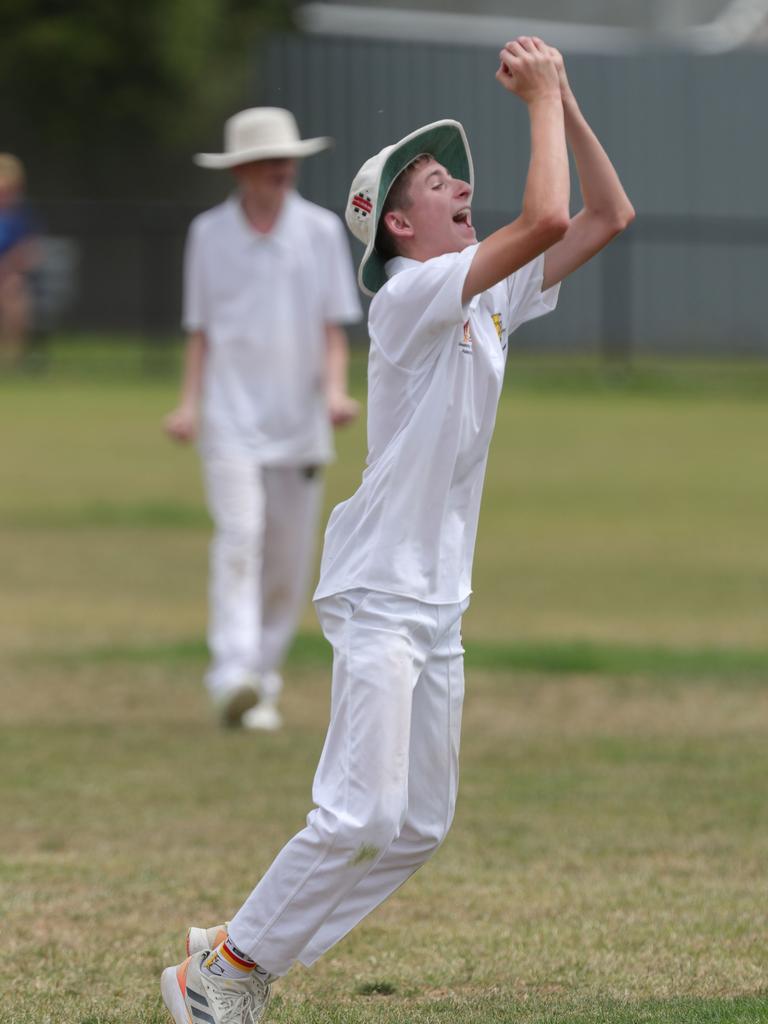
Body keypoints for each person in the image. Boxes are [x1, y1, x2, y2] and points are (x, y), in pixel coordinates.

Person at [160, 38, 634, 1024]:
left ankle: (234, 949)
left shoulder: (487, 293)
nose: (461, 183)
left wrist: (567, 99)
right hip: (379, 589)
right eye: (435, 179)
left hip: (438, 599)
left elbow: (604, 215)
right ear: (401, 227)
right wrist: (537, 99)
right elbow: (545, 214)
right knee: (361, 813)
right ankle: (227, 970)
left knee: (418, 825)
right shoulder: (409, 297)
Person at [165, 107, 362, 731]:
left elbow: (334, 329)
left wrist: (335, 392)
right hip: (229, 417)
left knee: (286, 558)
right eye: (270, 162)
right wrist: (189, 404)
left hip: (299, 421)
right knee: (240, 540)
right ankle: (232, 675)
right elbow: (201, 332)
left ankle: (263, 680)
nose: (282, 171)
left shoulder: (322, 231)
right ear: (242, 169)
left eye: (288, 161)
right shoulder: (208, 233)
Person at [0, 154, 39, 368]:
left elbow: (32, 250)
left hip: (9, 277)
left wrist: (9, 266)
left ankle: (10, 361)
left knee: (14, 293)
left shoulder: (22, 215)